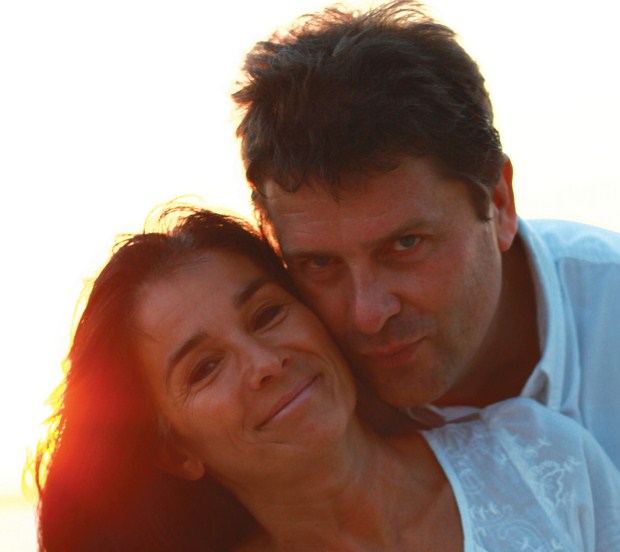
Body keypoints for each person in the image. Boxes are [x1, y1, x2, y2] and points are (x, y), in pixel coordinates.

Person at [32, 206, 620, 552]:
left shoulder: (539, 459)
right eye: (205, 367)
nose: (265, 362)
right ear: (176, 451)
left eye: (267, 314)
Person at [232, 0, 620, 465]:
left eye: (405, 244)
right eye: (320, 263)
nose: (368, 315)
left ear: (499, 203)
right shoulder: (289, 403)